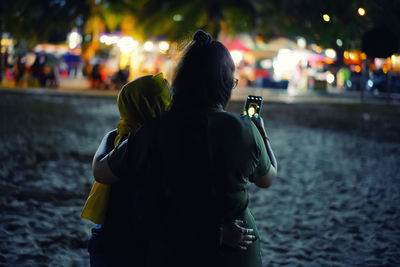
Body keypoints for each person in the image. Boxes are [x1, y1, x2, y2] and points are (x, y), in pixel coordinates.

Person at [92, 30, 277, 267]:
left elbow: (101, 171)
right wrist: (262, 134)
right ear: (223, 84)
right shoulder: (243, 129)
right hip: (236, 252)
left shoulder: (153, 130)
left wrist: (109, 138)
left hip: (175, 251)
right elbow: (267, 178)